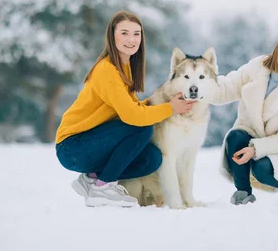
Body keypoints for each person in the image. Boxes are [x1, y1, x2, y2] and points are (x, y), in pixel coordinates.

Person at [55, 10, 195, 207]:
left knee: (151, 159)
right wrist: (170, 108)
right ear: (112, 36)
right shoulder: (107, 70)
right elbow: (132, 117)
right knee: (142, 128)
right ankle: (104, 187)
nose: (132, 39)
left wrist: (160, 102)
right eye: (125, 33)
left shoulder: (125, 66)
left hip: (91, 144)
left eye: (136, 34)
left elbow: (131, 108)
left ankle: (93, 178)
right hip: (73, 146)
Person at [213, 30, 278, 209]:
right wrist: (199, 88)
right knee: (235, 137)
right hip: (253, 135)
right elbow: (227, 86)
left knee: (262, 168)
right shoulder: (257, 68)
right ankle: (243, 193)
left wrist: (255, 149)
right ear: (277, 49)